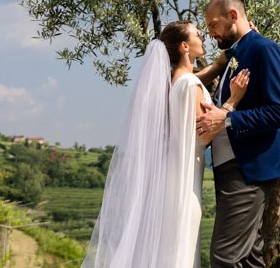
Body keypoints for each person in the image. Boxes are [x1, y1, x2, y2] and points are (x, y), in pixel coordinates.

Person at [82, 21, 249, 268]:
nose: (202, 37)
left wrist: (219, 63)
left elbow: (194, 79)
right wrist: (232, 103)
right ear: (184, 46)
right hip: (184, 183)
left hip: (170, 179)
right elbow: (202, 135)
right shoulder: (190, 85)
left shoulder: (174, 83)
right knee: (179, 251)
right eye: (196, 34)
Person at [195, 0, 280, 268]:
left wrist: (227, 120)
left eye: (214, 25)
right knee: (249, 257)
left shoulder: (264, 49)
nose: (211, 33)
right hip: (230, 165)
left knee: (224, 257)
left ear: (233, 16)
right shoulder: (236, 54)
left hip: (248, 168)